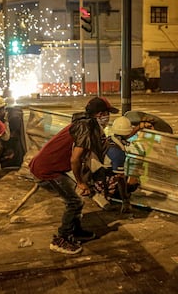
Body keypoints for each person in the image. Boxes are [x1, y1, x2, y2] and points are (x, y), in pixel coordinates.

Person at [29, 97, 119, 255]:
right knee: (74, 201)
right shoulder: (85, 127)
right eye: (104, 114)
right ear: (97, 115)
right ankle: (61, 239)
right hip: (47, 169)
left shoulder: (87, 125)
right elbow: (75, 159)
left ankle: (75, 231)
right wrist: (80, 182)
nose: (107, 117)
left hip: (54, 167)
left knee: (77, 199)